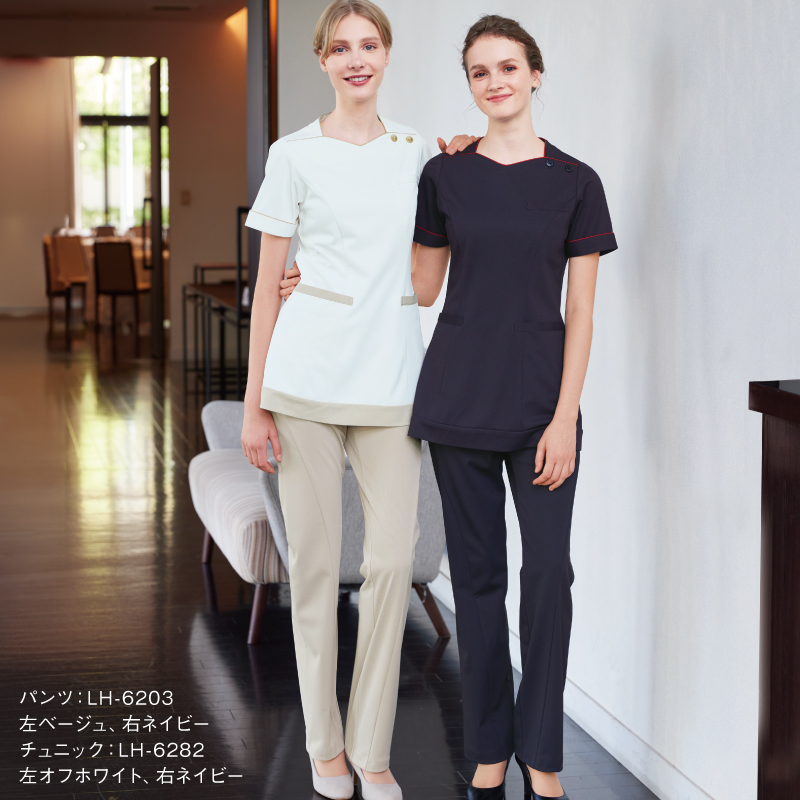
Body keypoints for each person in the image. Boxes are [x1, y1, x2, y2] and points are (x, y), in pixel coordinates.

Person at [240, 2, 474, 798]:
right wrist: (253, 404)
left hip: (393, 384)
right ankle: (325, 747)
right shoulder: (293, 154)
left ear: (387, 53)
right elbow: (267, 287)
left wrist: (462, 170)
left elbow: (425, 278)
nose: (356, 58)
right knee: (313, 569)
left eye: (368, 44)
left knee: (392, 562)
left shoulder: (418, 154)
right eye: (340, 48)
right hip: (303, 381)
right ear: (323, 61)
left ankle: (373, 751)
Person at [409, 15, 617, 800]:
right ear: (469, 85)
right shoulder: (444, 175)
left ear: (535, 73)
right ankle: (489, 747)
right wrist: (316, 272)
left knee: (549, 577)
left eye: (506, 67)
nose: (493, 81)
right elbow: (422, 285)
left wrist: (565, 418)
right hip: (458, 399)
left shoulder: (576, 181)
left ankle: (543, 754)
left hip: (540, 411)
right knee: (477, 580)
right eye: (478, 71)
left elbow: (582, 311)